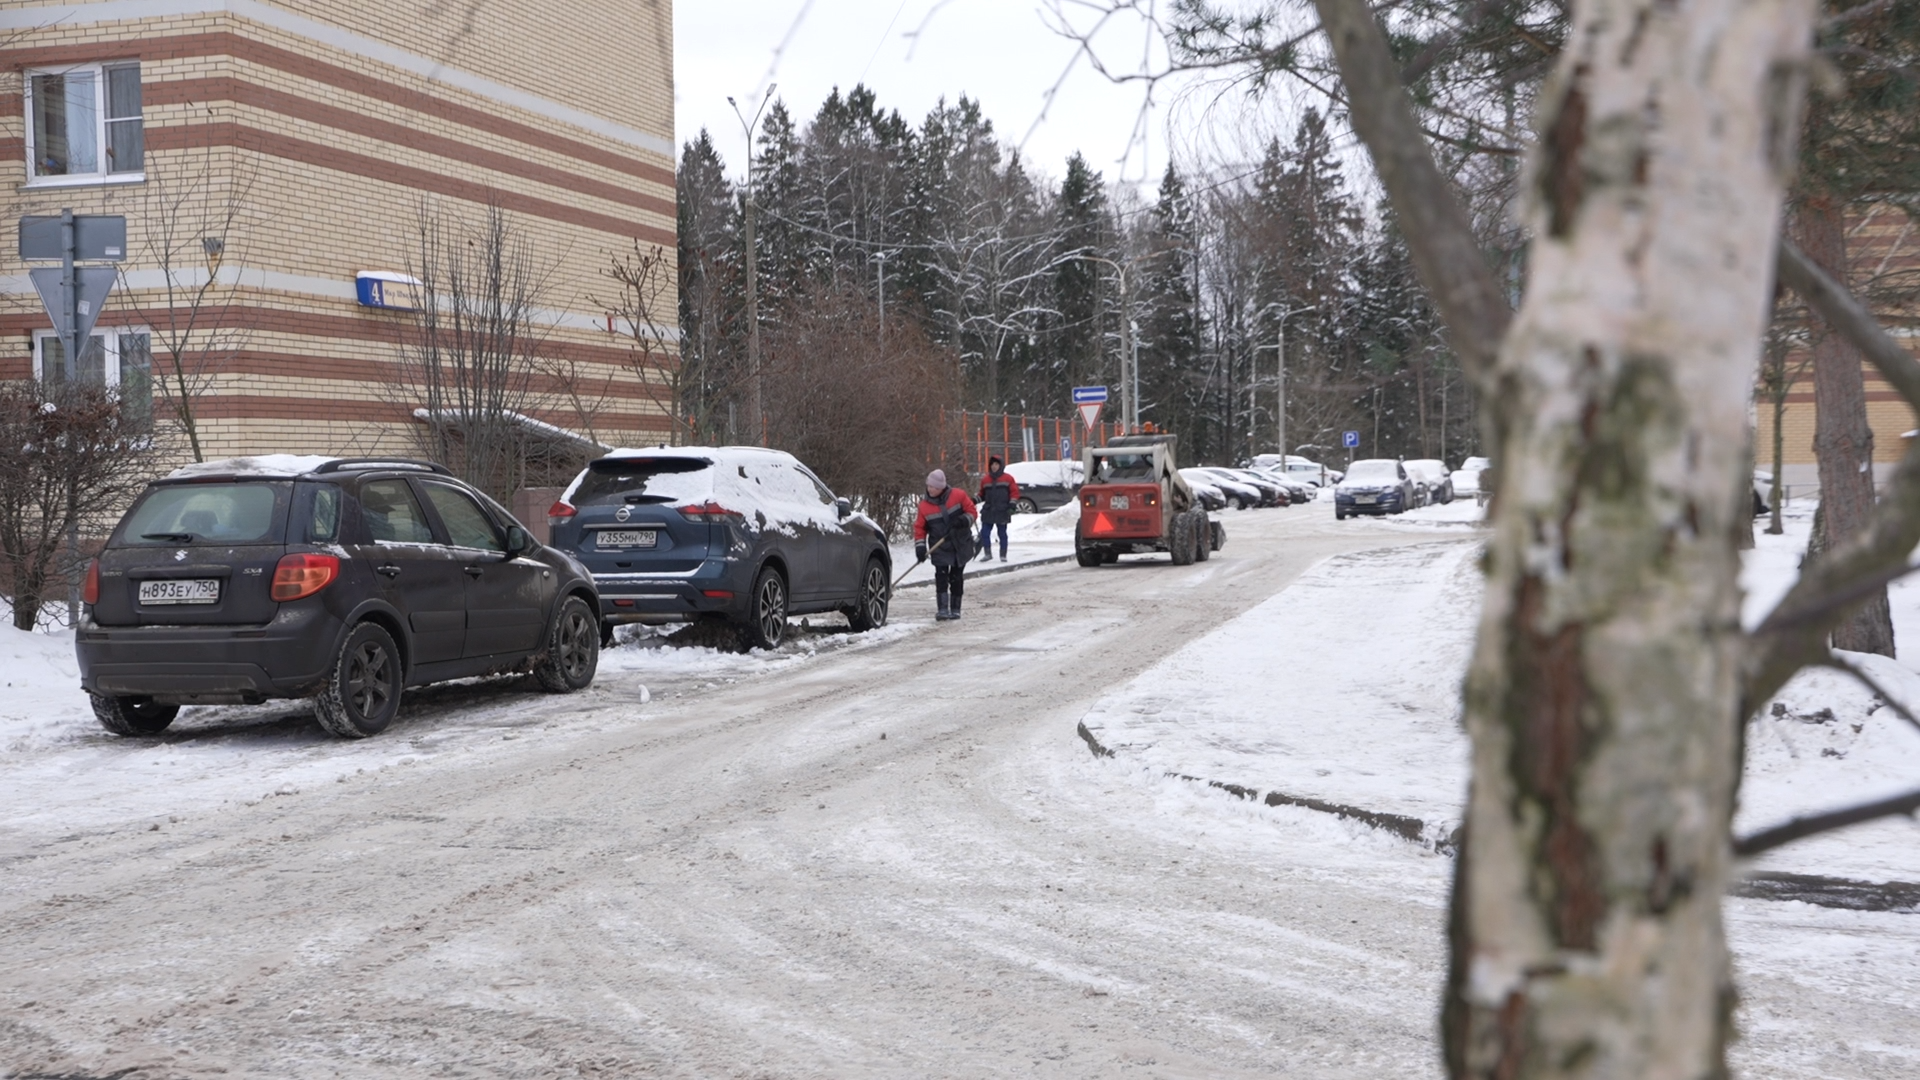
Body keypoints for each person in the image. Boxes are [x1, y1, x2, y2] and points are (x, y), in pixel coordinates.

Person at [913, 468, 977, 621]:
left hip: (959, 543)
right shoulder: (924, 506)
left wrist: (963, 520)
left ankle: (955, 608)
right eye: (929, 486)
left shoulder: (958, 495)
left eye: (934, 487)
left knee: (956, 577)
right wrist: (920, 547)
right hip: (939, 545)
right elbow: (919, 528)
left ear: (941, 487)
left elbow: (972, 512)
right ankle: (942, 609)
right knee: (941, 577)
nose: (930, 489)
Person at [974, 456, 1021, 562]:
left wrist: (1012, 504)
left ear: (1001, 465)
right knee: (984, 533)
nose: (994, 466)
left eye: (996, 464)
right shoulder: (985, 480)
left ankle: (1003, 555)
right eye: (992, 464)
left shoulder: (1008, 479)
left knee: (1002, 533)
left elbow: (1014, 493)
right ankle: (987, 553)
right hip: (988, 510)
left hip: (1002, 510)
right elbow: (982, 495)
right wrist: (973, 500)